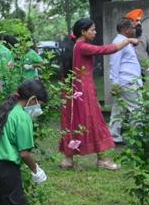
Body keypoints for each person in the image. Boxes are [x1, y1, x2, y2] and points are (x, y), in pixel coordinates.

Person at [58, 18, 139, 170]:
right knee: (94, 121)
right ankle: (102, 159)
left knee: (74, 123)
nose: (95, 32)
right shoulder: (82, 46)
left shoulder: (76, 46)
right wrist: (127, 40)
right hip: (83, 92)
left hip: (76, 91)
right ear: (83, 31)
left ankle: (68, 159)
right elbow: (107, 49)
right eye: (92, 30)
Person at [108, 17, 143, 145]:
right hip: (127, 82)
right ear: (126, 30)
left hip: (126, 81)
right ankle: (138, 138)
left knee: (118, 109)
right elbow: (114, 63)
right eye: (133, 28)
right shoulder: (119, 42)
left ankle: (113, 136)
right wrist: (115, 83)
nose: (135, 30)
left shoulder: (125, 42)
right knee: (137, 109)